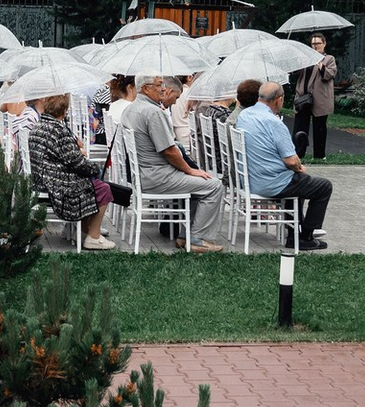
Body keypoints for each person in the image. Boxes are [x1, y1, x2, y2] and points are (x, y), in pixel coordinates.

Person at [128, 75, 229, 253]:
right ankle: (197, 240)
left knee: (201, 186)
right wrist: (190, 170)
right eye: (159, 85)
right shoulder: (153, 112)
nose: (163, 89)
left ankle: (185, 236)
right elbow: (168, 151)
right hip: (158, 176)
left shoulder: (131, 108)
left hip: (145, 174)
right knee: (214, 186)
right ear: (145, 88)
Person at [241, 82, 332, 250]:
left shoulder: (244, 115)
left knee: (299, 182)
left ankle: (294, 234)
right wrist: (299, 168)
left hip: (250, 179)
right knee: (323, 186)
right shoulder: (273, 122)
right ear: (279, 100)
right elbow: (291, 160)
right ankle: (305, 235)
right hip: (271, 184)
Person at [26, 93, 116, 250]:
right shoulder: (58, 130)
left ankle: (81, 230)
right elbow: (77, 163)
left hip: (41, 179)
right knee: (103, 188)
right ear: (64, 111)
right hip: (57, 183)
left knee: (93, 183)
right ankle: (93, 236)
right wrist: (96, 169)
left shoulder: (38, 126)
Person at [291, 32, 342, 159]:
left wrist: (320, 64)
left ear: (324, 44)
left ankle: (319, 156)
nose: (315, 46)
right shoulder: (305, 59)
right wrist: (296, 63)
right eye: (313, 44)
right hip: (303, 98)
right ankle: (298, 154)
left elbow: (330, 74)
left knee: (319, 127)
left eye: (318, 43)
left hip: (320, 99)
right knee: (300, 127)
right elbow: (295, 74)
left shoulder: (329, 59)